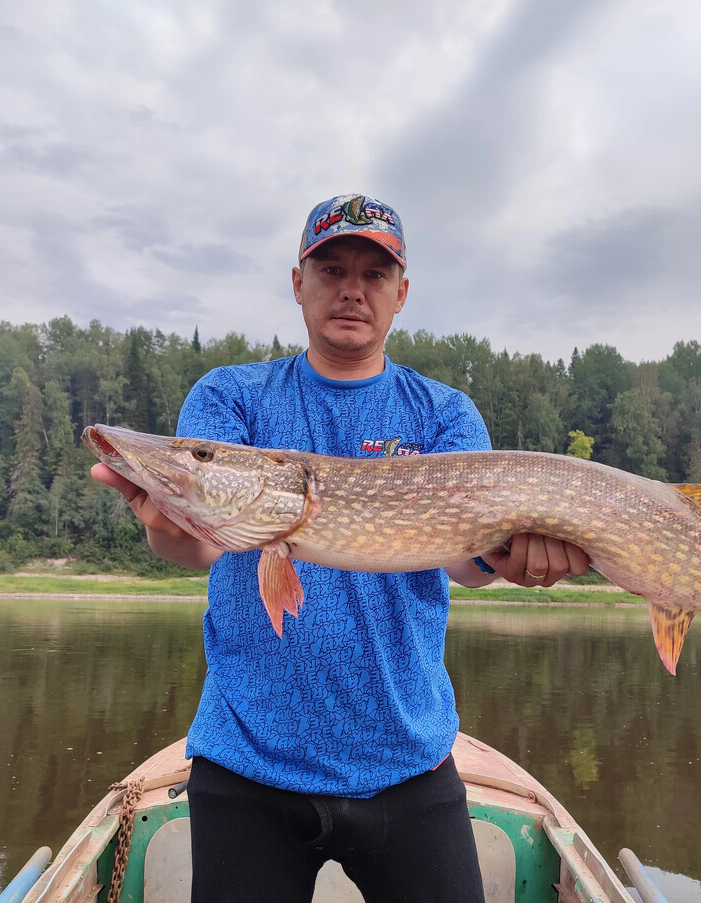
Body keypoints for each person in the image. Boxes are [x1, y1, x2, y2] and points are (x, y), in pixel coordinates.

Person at [91, 193, 590, 902]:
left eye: (374, 273)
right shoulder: (232, 396)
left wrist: (507, 559)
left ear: (401, 293)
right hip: (246, 766)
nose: (353, 289)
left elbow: (466, 560)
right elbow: (202, 546)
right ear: (298, 282)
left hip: (409, 763)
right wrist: (168, 520)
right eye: (331, 269)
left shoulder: (443, 414)